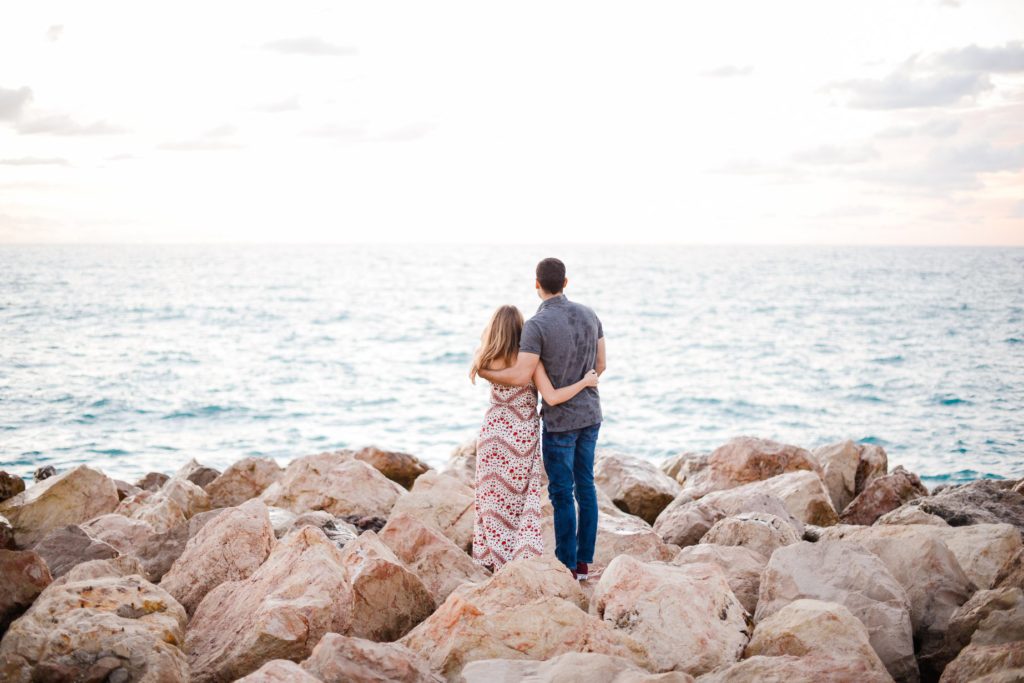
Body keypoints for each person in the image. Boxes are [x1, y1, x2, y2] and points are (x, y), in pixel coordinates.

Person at [477, 258, 605, 580]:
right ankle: (584, 564)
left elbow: (522, 375)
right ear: (566, 282)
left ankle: (567, 565)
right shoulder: (590, 315)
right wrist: (585, 382)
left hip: (561, 421)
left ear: (537, 284)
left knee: (562, 493)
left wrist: (483, 370)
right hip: (590, 415)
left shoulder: (536, 324)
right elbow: (600, 365)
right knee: (586, 486)